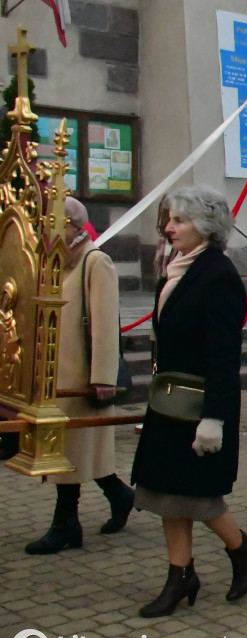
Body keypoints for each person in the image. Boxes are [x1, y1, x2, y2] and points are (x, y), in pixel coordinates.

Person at [131, 186, 247, 618]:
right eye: (170, 220)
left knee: (199, 496)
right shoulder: (176, 268)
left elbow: (225, 355)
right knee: (166, 492)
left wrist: (215, 418)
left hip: (199, 405)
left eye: (179, 221)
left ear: (205, 227)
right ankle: (181, 575)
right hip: (169, 401)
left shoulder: (217, 275)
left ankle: (242, 547)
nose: (169, 228)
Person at [24, 197, 135, 555]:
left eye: (53, 224)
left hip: (84, 380)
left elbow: (104, 324)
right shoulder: (55, 265)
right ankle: (119, 496)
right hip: (57, 380)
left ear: (73, 226)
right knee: (75, 452)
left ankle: (66, 523)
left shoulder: (94, 261)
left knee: (72, 452)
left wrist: (103, 376)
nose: (46, 231)